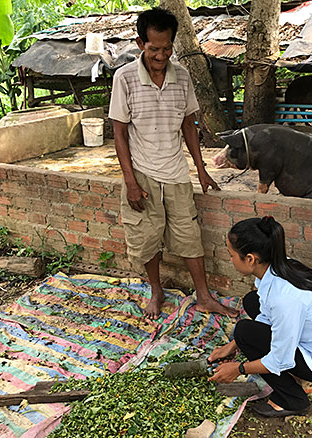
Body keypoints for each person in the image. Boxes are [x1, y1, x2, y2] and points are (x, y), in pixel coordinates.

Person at [108, 7, 238, 320]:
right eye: (154, 48)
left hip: (177, 174)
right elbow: (119, 133)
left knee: (190, 237)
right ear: (141, 43)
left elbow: (189, 125)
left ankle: (204, 296)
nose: (161, 55)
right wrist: (130, 183)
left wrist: (201, 169)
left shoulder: (182, 76)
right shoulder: (124, 78)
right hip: (142, 174)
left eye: (167, 48)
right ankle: (156, 291)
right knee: (148, 238)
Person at [208, 216, 312, 417]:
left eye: (231, 255)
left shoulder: (285, 297)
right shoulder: (279, 267)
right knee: (252, 301)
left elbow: (278, 360)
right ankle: (245, 341)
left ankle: (292, 399)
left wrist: (238, 369)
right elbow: (266, 312)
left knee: (245, 331)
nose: (230, 259)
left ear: (250, 259)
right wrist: (232, 345)